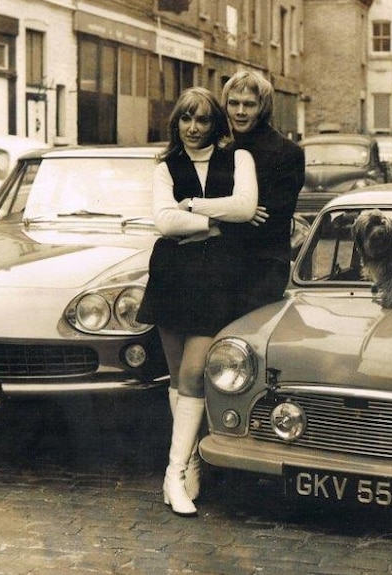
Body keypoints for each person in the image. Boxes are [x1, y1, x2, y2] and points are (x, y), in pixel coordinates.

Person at [136, 87, 258, 517]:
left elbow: (246, 207)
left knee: (193, 373)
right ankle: (189, 466)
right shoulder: (165, 166)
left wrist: (194, 207)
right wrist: (211, 223)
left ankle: (171, 473)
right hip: (172, 275)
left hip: (216, 279)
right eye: (186, 118)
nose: (193, 127)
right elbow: (164, 221)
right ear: (177, 123)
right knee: (176, 378)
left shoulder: (238, 158)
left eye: (202, 119)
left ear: (214, 124)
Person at [220, 71, 306, 316]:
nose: (240, 111)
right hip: (224, 268)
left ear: (263, 108)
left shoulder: (288, 153)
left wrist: (225, 212)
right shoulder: (224, 152)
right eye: (234, 103)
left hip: (263, 270)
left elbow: (272, 218)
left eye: (249, 104)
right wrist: (241, 211)